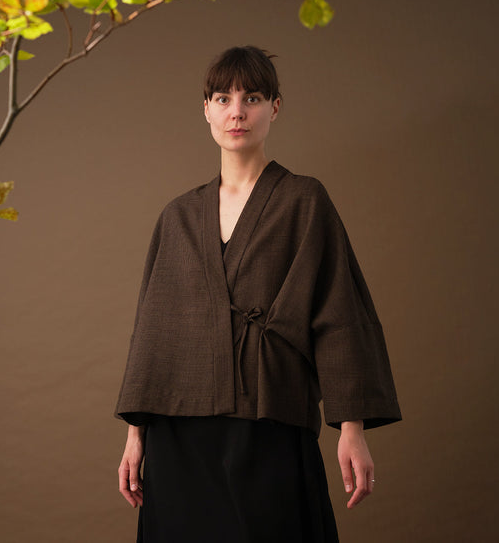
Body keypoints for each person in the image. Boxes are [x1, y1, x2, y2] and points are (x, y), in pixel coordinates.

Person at [115, 46, 401, 543]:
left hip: (269, 415)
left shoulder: (304, 200)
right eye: (223, 99)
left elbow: (339, 312)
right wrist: (135, 434)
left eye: (251, 98)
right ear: (206, 110)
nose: (237, 112)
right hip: (178, 433)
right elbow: (153, 331)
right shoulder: (178, 216)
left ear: (275, 107)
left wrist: (350, 428)